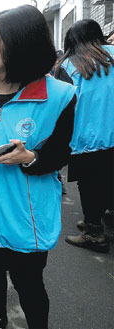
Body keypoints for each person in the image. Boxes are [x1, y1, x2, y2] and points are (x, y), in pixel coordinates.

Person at [0, 5, 77, 329]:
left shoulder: (60, 97)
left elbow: (63, 152)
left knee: (29, 284)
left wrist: (29, 158)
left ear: (23, 42)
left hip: (25, 215)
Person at [53, 19, 114, 253]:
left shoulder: (69, 66)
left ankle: (93, 233)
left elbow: (61, 106)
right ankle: (100, 219)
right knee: (109, 179)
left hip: (87, 138)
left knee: (90, 185)